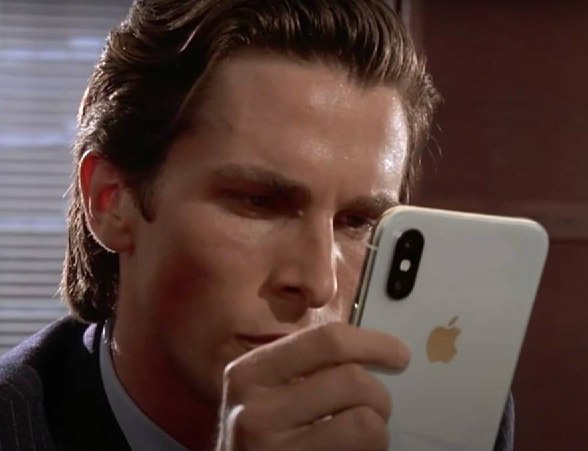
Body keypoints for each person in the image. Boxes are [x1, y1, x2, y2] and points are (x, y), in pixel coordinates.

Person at [0, 0, 514, 449]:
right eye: (260, 203)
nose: (319, 283)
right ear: (111, 201)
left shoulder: (448, 425)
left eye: (357, 222)